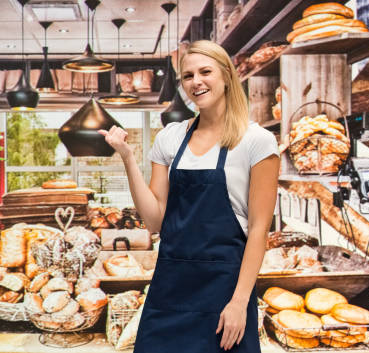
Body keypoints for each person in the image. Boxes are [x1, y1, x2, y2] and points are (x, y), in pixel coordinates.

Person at [98, 40, 279, 352]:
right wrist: (128, 157)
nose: (196, 81)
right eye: (187, 75)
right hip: (170, 288)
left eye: (205, 72)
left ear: (226, 76)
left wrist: (239, 302)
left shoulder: (257, 142)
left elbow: (259, 231)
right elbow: (154, 220)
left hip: (225, 292)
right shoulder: (170, 138)